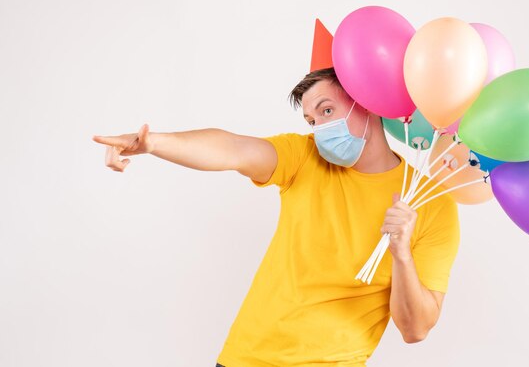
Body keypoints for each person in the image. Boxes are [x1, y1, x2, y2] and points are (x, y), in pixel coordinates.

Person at [92, 67, 460, 366]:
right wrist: (153, 143)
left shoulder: (430, 202)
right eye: (312, 120)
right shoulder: (303, 157)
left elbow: (415, 329)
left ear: (367, 102)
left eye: (327, 110)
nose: (319, 129)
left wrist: (401, 253)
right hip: (245, 358)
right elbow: (233, 149)